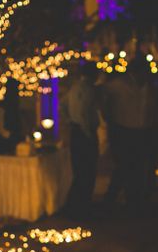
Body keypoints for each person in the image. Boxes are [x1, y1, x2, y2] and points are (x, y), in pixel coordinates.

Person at [100, 56, 152, 207]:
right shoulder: (119, 85)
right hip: (123, 130)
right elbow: (102, 95)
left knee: (138, 166)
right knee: (124, 166)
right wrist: (109, 118)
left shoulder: (146, 86)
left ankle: (134, 199)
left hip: (141, 130)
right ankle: (111, 199)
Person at [61, 65, 101, 217]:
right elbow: (84, 112)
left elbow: (62, 105)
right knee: (87, 171)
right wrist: (87, 131)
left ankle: (75, 206)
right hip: (85, 132)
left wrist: (70, 120)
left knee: (79, 170)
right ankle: (81, 207)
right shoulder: (89, 89)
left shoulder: (74, 87)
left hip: (76, 131)